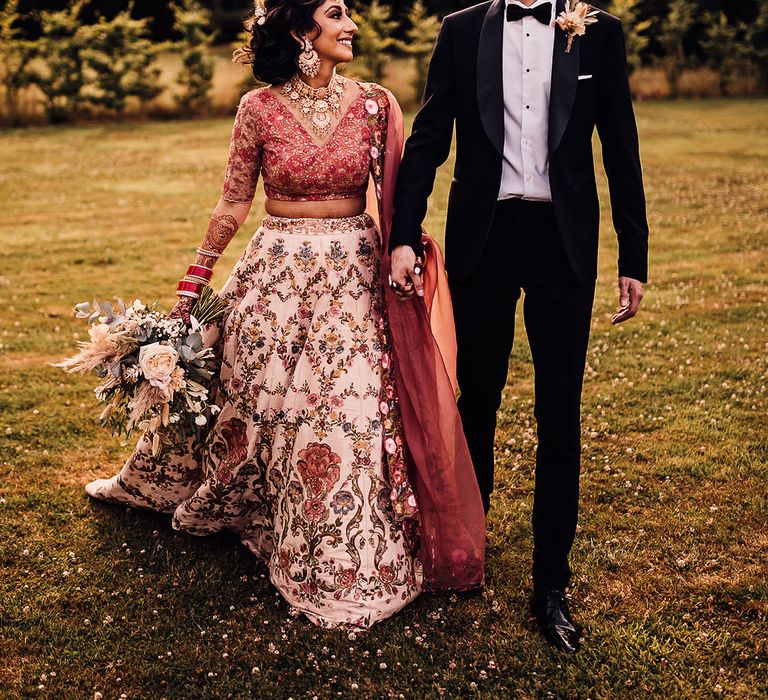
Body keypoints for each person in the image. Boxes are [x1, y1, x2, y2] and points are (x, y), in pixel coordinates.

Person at [83, 0, 485, 630]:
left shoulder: (377, 104)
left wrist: (404, 249)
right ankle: (253, 504)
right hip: (275, 273)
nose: (352, 25)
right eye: (337, 13)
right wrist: (196, 279)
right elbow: (234, 198)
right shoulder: (258, 109)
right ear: (303, 31)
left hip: (352, 274)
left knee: (345, 408)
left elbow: (404, 188)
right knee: (258, 398)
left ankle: (339, 552)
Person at [389, 0, 649, 652]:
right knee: (476, 399)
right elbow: (428, 138)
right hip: (485, 234)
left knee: (560, 413)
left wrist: (633, 256)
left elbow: (620, 142)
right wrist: (400, 236)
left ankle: (550, 585)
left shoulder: (599, 32)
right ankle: (462, 553)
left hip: (564, 243)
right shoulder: (461, 30)